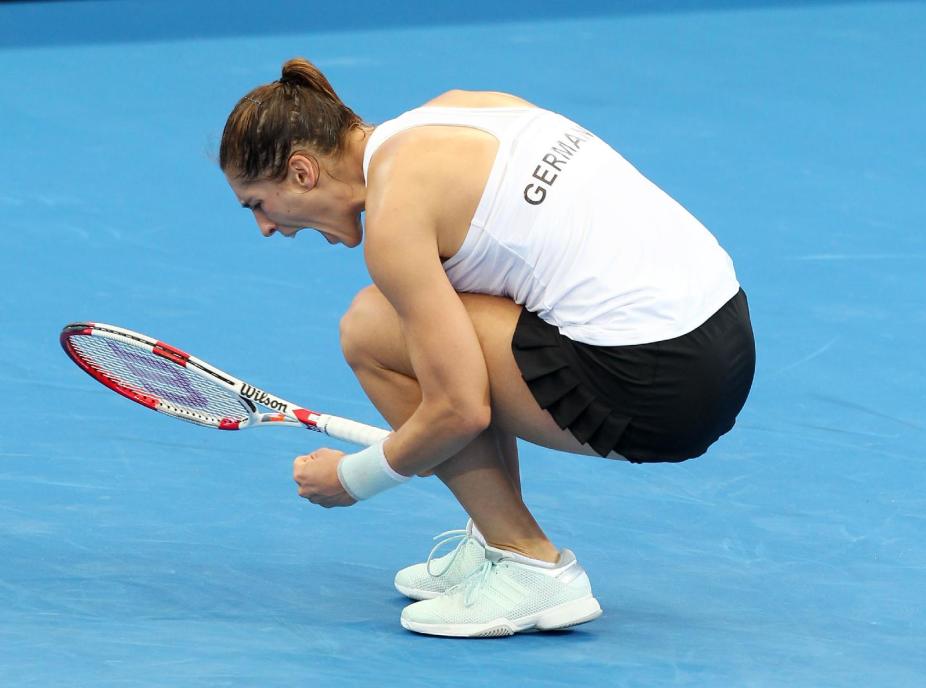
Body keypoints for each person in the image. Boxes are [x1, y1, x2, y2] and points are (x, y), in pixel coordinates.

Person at [219, 57, 756, 638]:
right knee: (442, 312)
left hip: (659, 389)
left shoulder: (398, 220)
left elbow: (460, 409)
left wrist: (353, 479)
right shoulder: (457, 108)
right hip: (726, 338)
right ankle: (494, 532)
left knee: (370, 329)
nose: (266, 228)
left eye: (257, 203)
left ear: (302, 173)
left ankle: (529, 565)